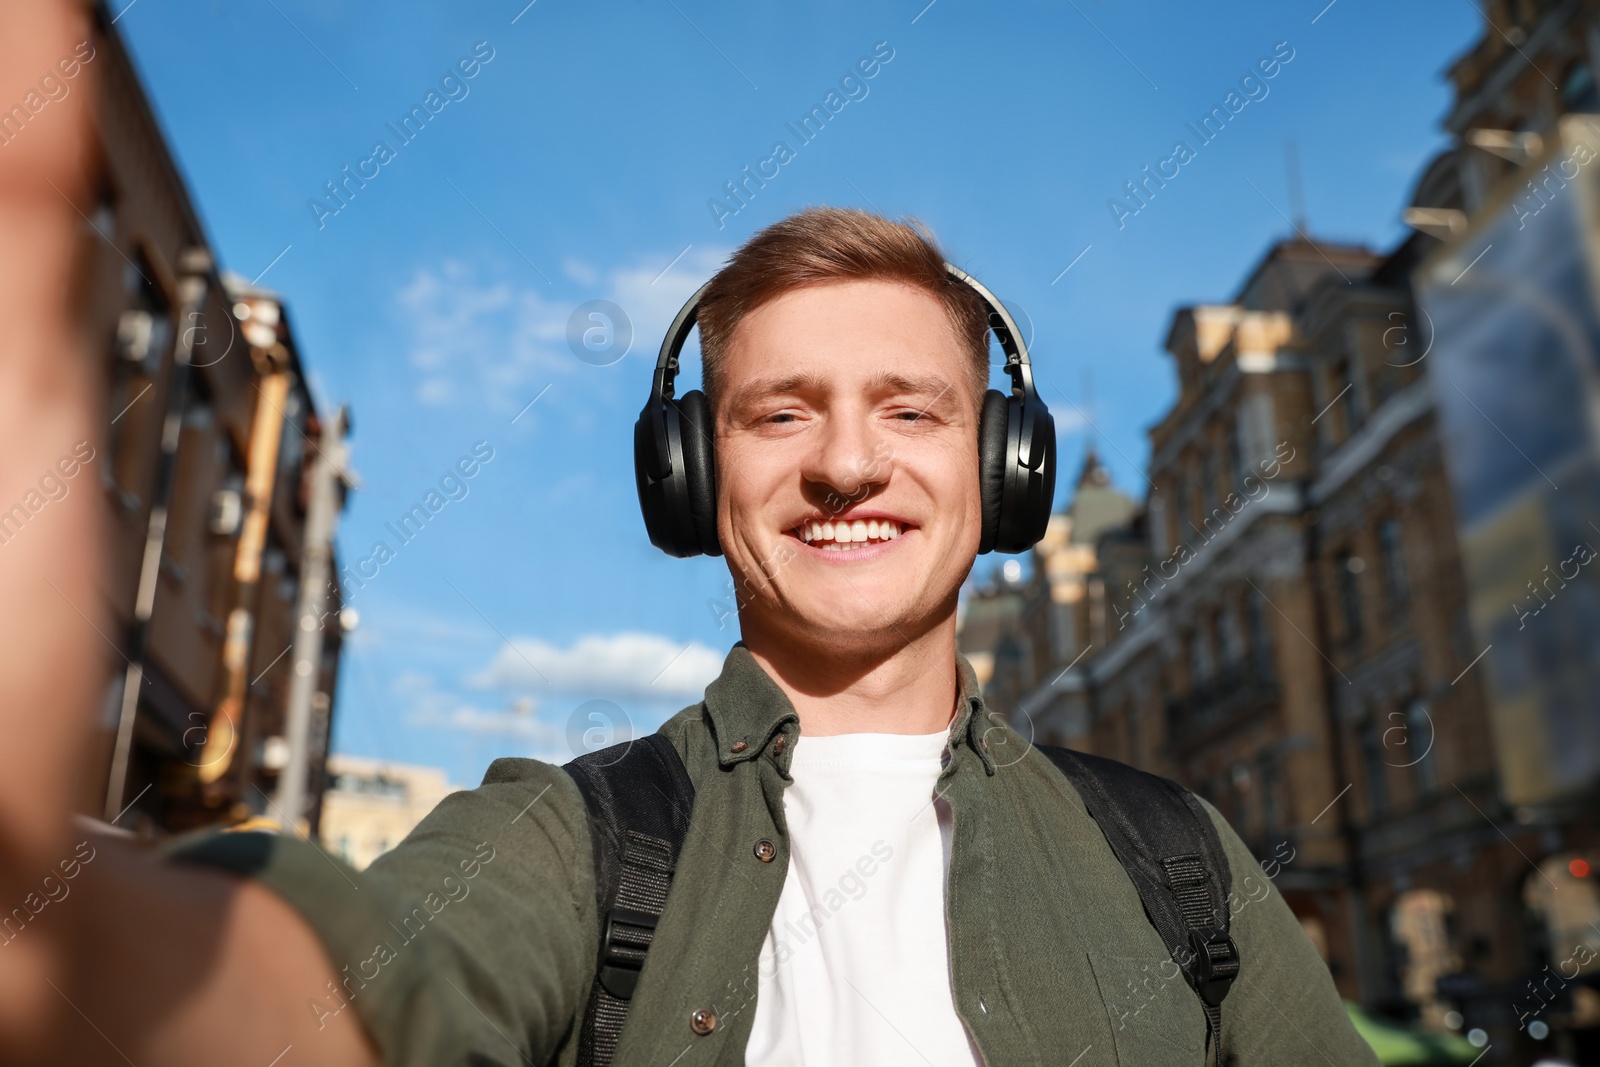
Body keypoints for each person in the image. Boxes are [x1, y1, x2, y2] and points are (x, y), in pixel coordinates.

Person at [4, 168, 1377, 1064]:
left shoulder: (1174, 855)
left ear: (1004, 469)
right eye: (781, 415)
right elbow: (354, 1007)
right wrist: (63, 924)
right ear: (689, 477)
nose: (847, 464)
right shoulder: (568, 839)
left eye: (911, 410)